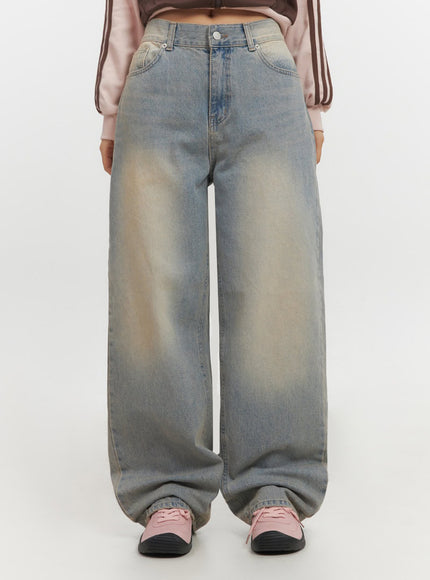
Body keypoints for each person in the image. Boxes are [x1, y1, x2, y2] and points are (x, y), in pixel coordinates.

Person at [95, 1, 333, 557]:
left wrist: (313, 101)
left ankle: (276, 486)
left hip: (265, 66)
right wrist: (112, 109)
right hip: (159, 65)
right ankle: (166, 490)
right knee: (152, 287)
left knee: (277, 284)